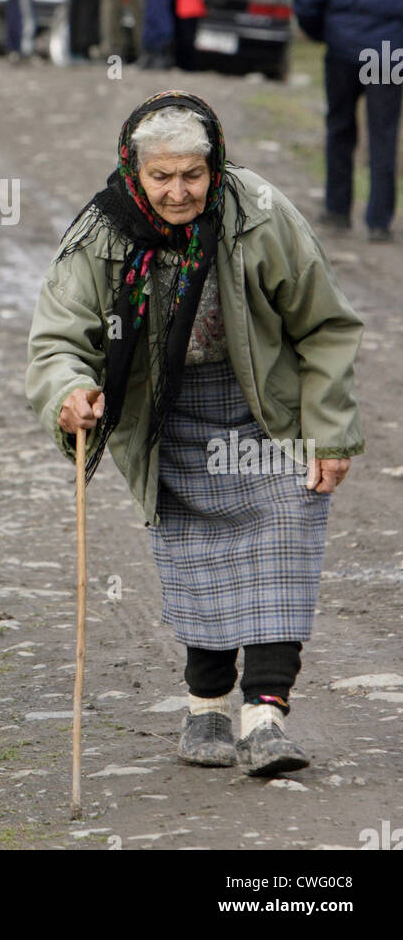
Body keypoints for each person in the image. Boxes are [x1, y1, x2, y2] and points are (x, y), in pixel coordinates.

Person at [26, 91, 363, 777]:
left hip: (263, 405)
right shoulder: (103, 232)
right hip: (169, 409)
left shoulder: (259, 216)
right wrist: (69, 393)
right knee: (197, 554)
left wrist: (329, 432)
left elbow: (325, 326)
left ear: (215, 167)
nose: (179, 191)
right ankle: (206, 704)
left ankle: (265, 718)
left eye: (193, 175)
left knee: (284, 532)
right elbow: (61, 336)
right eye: (162, 176)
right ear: (134, 171)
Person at [293, 0, 403, 243]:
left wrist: (325, 34)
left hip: (342, 53)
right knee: (383, 134)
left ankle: (338, 211)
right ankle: (379, 222)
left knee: (340, 128)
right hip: (388, 54)